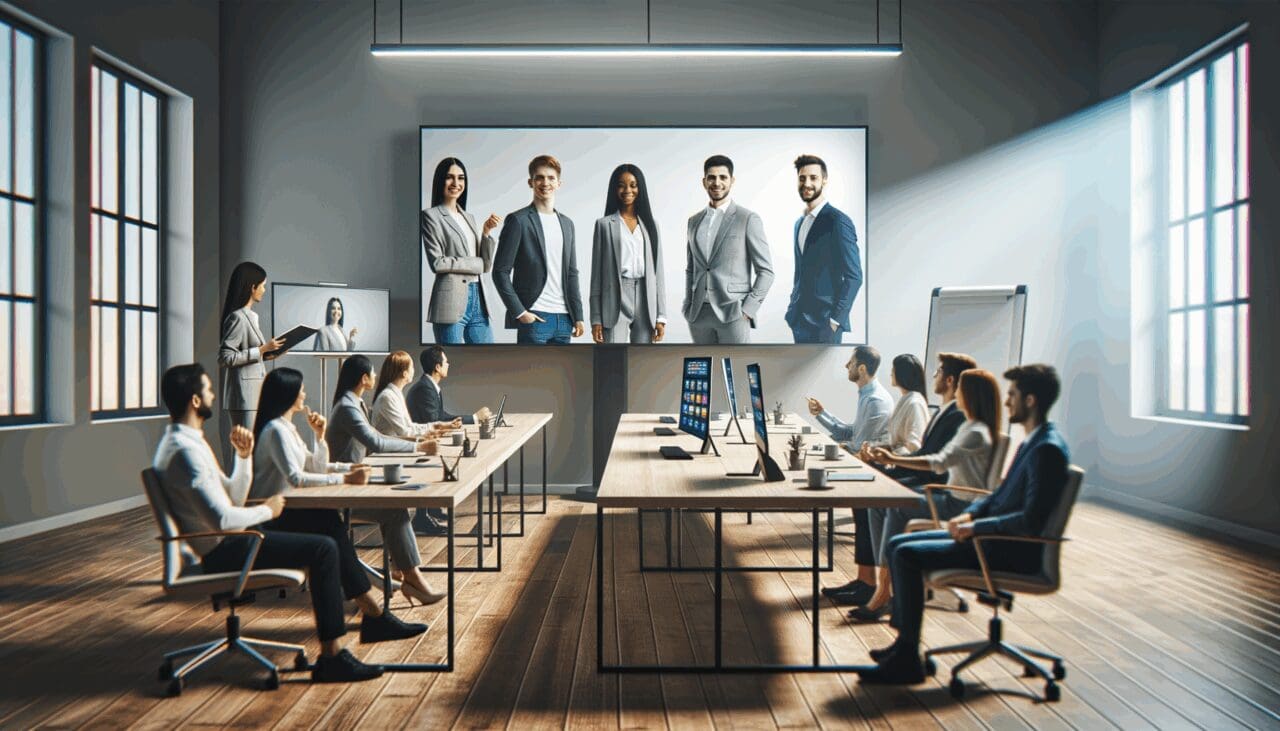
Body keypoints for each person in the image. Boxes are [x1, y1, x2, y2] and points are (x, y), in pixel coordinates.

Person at [152, 364, 418, 683]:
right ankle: (334, 655)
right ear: (196, 401)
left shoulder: (189, 442)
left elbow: (233, 497)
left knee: (326, 523)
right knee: (323, 550)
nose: (213, 394)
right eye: (208, 390)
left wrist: (243, 458)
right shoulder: (186, 451)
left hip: (234, 537)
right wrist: (268, 509)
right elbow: (223, 517)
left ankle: (374, 617)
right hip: (226, 548)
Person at [856, 364, 1071, 685]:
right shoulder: (1034, 442)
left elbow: (1031, 520)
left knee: (904, 553)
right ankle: (905, 648)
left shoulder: (1047, 450)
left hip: (1008, 551)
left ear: (1030, 400)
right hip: (993, 539)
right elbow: (998, 495)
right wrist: (971, 515)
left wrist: (977, 528)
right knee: (898, 544)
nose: (1007, 401)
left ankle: (907, 659)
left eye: (1012, 395)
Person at [251, 367, 446, 607]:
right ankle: (386, 594)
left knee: (394, 510)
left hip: (298, 505)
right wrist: (345, 479)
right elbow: (297, 478)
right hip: (281, 513)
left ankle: (407, 578)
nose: (304, 394)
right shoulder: (276, 431)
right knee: (338, 523)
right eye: (301, 390)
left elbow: (316, 466)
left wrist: (320, 438)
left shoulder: (286, 428)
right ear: (288, 394)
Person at [825, 351, 975, 606]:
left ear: (950, 380)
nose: (934, 375)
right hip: (917, 474)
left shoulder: (926, 405)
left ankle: (878, 585)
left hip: (929, 483)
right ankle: (868, 581)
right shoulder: (934, 407)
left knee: (870, 497)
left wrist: (889, 460)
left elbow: (923, 454)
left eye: (939, 372)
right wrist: (882, 453)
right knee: (865, 497)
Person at [853, 369, 1001, 622]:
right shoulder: (970, 427)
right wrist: (890, 456)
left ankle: (883, 591)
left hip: (959, 503)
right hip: (951, 495)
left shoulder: (974, 431)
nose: (957, 394)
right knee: (879, 503)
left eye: (961, 390)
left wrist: (893, 459)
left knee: (896, 506)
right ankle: (885, 581)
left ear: (971, 395)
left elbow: (938, 463)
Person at [326, 355, 440, 594]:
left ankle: (402, 573)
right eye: (373, 373)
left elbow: (376, 440)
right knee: (394, 509)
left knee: (395, 508)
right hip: (344, 489)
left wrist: (416, 442)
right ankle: (411, 577)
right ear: (364, 378)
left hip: (354, 481)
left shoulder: (353, 403)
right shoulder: (348, 407)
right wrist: (417, 447)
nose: (377, 377)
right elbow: (376, 442)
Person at [807, 345, 894, 604]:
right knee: (860, 516)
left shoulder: (876, 399)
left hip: (873, 470)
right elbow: (851, 433)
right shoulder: (867, 394)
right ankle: (863, 580)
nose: (847, 366)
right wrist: (821, 414)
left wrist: (837, 447)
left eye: (851, 362)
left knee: (861, 513)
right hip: (866, 464)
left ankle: (867, 584)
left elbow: (858, 445)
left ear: (862, 368)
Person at [492, 154, 585, 344]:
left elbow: (571, 273)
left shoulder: (567, 224)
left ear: (559, 183)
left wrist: (579, 316)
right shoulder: (518, 221)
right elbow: (500, 272)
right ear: (531, 182)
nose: (545, 182)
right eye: (540, 177)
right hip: (535, 317)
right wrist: (520, 312)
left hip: (565, 319)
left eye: (551, 178)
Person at [682, 155, 774, 344]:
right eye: (711, 177)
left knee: (737, 370)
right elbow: (691, 269)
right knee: (702, 370)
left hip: (733, 312)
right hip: (698, 314)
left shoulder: (747, 219)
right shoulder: (693, 222)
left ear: (731, 181)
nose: (717, 183)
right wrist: (688, 304)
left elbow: (766, 272)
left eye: (723, 177)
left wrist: (747, 310)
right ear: (704, 182)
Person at [374, 350, 462, 537]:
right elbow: (405, 432)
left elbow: (409, 427)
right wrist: (432, 430)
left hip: (397, 446)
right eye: (412, 367)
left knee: (434, 456)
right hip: (389, 453)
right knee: (431, 460)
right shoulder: (389, 396)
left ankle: (425, 513)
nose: (415, 371)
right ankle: (423, 516)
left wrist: (436, 426)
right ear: (405, 373)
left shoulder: (395, 393)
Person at [784, 154, 862, 344]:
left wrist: (835, 321)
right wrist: (793, 303)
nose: (807, 183)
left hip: (825, 324)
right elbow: (800, 272)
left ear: (824, 180)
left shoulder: (838, 221)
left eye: (813, 178)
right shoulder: (799, 223)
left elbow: (854, 277)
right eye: (802, 178)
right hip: (799, 321)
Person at [422, 157, 500, 344]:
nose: (456, 183)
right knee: (450, 362)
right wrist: (476, 264)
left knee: (486, 360)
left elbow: (486, 265)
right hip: (450, 301)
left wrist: (486, 232)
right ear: (440, 180)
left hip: (478, 300)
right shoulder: (431, 216)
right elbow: (437, 262)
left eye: (461, 178)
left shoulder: (469, 217)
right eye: (450, 177)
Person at [590, 163, 666, 344]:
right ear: (614, 189)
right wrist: (596, 318)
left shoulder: (651, 225)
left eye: (633, 185)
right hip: (614, 298)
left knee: (641, 360)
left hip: (645, 299)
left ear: (640, 188)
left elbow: (658, 273)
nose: (627, 190)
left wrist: (661, 317)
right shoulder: (604, 224)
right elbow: (596, 276)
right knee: (612, 359)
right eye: (621, 185)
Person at [217, 262, 285, 461]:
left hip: (254, 394)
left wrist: (272, 352)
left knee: (251, 449)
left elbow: (255, 354)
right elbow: (225, 357)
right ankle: (238, 492)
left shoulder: (251, 317)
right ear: (252, 287)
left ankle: (246, 490)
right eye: (262, 285)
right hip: (243, 397)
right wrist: (262, 349)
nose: (264, 290)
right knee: (243, 449)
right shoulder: (237, 318)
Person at [405, 346, 492, 426]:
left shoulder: (429, 385)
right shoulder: (425, 389)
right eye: (446, 362)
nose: (448, 365)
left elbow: (442, 416)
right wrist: (475, 418)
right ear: (438, 367)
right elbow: (435, 422)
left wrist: (473, 418)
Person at [864, 354, 930, 457]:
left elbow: (914, 446)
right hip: (895, 461)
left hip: (903, 466)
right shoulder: (906, 400)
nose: (891, 373)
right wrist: (875, 447)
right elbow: (896, 441)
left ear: (902, 374)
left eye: (893, 369)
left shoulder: (914, 403)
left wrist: (888, 454)